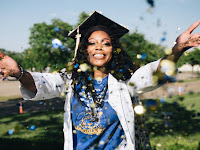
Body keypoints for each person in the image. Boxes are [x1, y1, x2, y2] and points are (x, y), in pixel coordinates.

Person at [0, 11, 200, 150]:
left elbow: (153, 73)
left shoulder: (125, 81)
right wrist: (19, 73)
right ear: (84, 49)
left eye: (106, 43)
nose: (98, 47)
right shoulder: (70, 79)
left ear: (114, 50)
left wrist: (177, 50)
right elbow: (44, 83)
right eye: (92, 43)